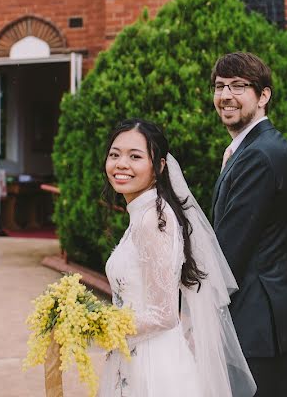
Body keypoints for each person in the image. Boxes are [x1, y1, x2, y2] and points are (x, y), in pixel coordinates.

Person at [98, 118, 255, 397]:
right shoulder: (143, 213)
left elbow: (163, 315)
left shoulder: (154, 220)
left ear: (158, 167)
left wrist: (98, 327)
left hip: (152, 365)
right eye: (115, 154)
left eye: (135, 156)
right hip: (133, 353)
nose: (121, 164)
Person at [210, 52, 287, 397]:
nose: (226, 95)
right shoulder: (253, 147)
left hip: (256, 322)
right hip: (258, 318)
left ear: (263, 95)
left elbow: (229, 249)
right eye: (220, 86)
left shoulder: (259, 154)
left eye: (239, 86)